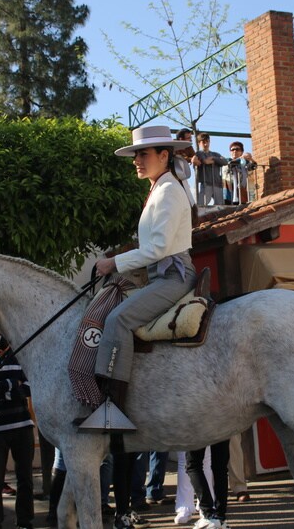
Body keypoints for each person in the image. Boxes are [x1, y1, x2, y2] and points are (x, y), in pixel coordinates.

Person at [89, 124, 197, 528]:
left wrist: (112, 263)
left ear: (165, 156)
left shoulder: (168, 191)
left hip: (172, 277)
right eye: (137, 155)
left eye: (144, 154)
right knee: (107, 309)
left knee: (117, 318)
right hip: (157, 276)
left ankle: (111, 404)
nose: (137, 160)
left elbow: (156, 250)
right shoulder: (158, 189)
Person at [0, 328, 35, 529]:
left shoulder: (19, 357)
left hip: (22, 425)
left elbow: (29, 387)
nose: (0, 337)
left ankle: (25, 521)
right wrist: (14, 384)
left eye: (3, 332)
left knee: (25, 477)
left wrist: (2, 388)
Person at [186, 440, 230, 529]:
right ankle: (220, 517)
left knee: (193, 465)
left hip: (198, 428)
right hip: (222, 427)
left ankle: (209, 515)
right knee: (220, 467)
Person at [192, 132, 228, 206]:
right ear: (199, 143)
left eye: (207, 142)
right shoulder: (199, 153)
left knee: (220, 207)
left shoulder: (215, 154)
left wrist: (213, 158)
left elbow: (225, 161)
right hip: (206, 183)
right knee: (201, 206)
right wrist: (216, 161)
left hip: (217, 184)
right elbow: (206, 161)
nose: (206, 144)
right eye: (203, 142)